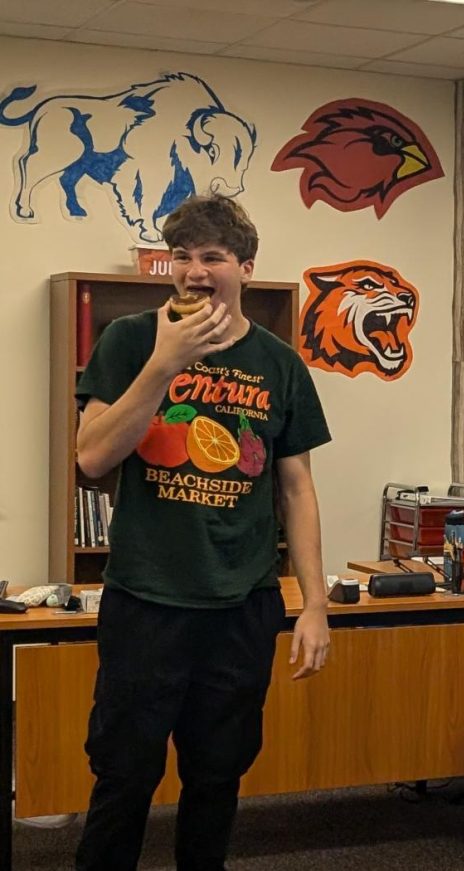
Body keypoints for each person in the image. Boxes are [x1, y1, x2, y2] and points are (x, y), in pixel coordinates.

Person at [73, 194, 332, 871]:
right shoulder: (130, 340)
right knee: (125, 775)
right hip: (146, 601)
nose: (194, 270)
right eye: (182, 256)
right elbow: (93, 455)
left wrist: (314, 604)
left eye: (212, 256)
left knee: (217, 779)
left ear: (244, 267)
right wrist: (164, 362)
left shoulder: (279, 363)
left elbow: (297, 489)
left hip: (240, 606)